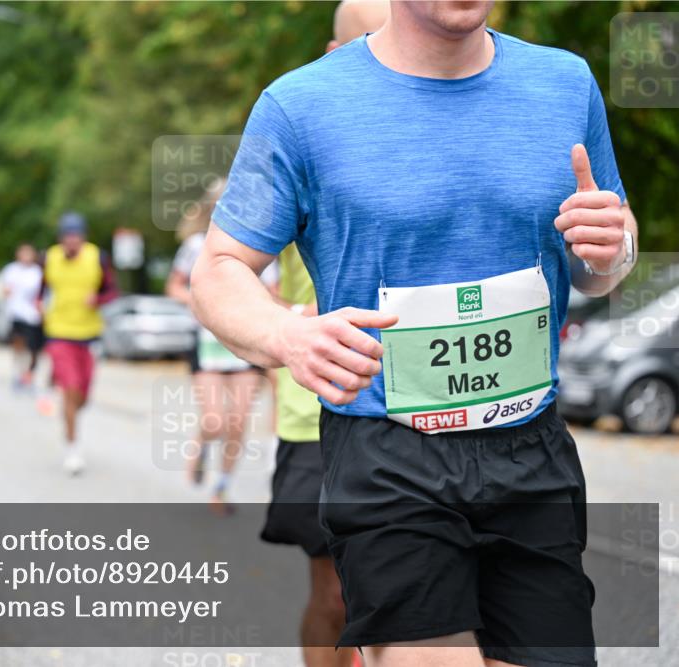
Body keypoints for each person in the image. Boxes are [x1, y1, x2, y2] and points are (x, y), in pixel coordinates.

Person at [190, 2, 638, 666]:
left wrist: (613, 250)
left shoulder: (565, 83)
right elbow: (218, 270)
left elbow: (607, 255)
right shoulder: (301, 106)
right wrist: (286, 334)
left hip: (530, 443)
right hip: (389, 450)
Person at [260, 5, 389, 666]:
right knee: (337, 596)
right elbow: (226, 274)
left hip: (424, 409)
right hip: (318, 412)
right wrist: (289, 323)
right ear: (335, 50)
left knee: (417, 599)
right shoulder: (297, 134)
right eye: (369, 43)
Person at [166, 178, 278, 515]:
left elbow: (273, 293)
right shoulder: (195, 246)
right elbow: (173, 287)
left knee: (238, 422)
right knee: (215, 421)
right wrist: (201, 301)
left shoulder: (262, 245)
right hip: (206, 344)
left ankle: (221, 488)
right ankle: (201, 445)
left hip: (246, 340)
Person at [41, 212, 118, 475]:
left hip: (89, 335)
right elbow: (41, 290)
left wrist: (98, 300)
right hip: (59, 333)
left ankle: (69, 409)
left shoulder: (98, 258)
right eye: (67, 236)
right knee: (71, 388)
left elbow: (112, 291)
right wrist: (38, 304)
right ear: (61, 238)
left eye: (76, 236)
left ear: (83, 238)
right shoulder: (49, 258)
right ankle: (72, 448)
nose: (71, 241)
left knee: (83, 397)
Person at [1, 243, 45, 391]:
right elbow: (5, 290)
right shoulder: (11, 270)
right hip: (16, 314)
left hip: (33, 316)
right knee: (19, 345)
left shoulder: (37, 272)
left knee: (32, 349)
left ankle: (29, 375)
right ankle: (19, 374)